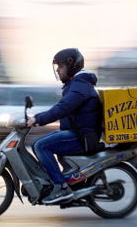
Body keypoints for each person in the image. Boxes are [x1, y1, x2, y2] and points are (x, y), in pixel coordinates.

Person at [27, 48, 102, 204]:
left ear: (72, 65)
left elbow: (63, 108)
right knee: (42, 143)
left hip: (83, 137)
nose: (58, 70)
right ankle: (59, 182)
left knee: (41, 146)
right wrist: (35, 117)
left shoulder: (80, 85)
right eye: (57, 67)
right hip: (78, 132)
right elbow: (61, 107)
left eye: (60, 67)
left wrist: (37, 119)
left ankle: (60, 187)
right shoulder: (75, 84)